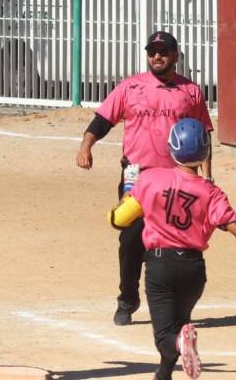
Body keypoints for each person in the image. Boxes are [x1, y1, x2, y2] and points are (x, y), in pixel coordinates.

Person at [109, 118, 236, 380]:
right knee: (180, 327)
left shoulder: (150, 179)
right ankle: (163, 375)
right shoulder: (211, 192)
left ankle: (177, 349)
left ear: (171, 147)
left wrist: (129, 186)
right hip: (193, 270)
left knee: (166, 337)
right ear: (204, 152)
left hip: (161, 267)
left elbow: (118, 220)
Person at [76, 31, 215, 326]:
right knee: (130, 238)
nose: (157, 56)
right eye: (152, 51)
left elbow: (202, 136)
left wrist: (207, 176)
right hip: (136, 177)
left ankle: (168, 302)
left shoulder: (191, 92)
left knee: (171, 242)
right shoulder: (131, 86)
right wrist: (86, 145)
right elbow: (103, 120)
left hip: (176, 178)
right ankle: (127, 298)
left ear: (175, 56)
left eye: (163, 51)